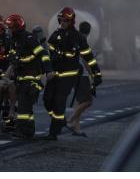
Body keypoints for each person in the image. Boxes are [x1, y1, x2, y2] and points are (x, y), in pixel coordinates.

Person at [43, 7, 102, 141]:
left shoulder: (78, 37)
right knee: (47, 100)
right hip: (54, 74)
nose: (63, 22)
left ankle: (53, 133)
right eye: (62, 20)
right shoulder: (55, 35)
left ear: (71, 21)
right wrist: (48, 70)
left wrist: (97, 74)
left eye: (66, 20)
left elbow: (89, 57)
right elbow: (48, 55)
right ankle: (60, 121)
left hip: (68, 76)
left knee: (59, 102)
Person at [5, 14, 54, 139]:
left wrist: (48, 71)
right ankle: (28, 129)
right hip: (21, 78)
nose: (8, 30)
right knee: (26, 107)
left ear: (16, 27)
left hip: (31, 79)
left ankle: (23, 130)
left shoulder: (29, 39)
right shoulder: (13, 41)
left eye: (9, 28)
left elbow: (43, 54)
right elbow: (14, 59)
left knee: (23, 107)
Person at [66, 21, 95, 137]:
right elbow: (84, 59)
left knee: (79, 101)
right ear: (89, 31)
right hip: (81, 75)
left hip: (74, 73)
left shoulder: (75, 39)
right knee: (88, 101)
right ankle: (70, 120)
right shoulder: (83, 41)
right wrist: (92, 74)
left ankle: (76, 128)